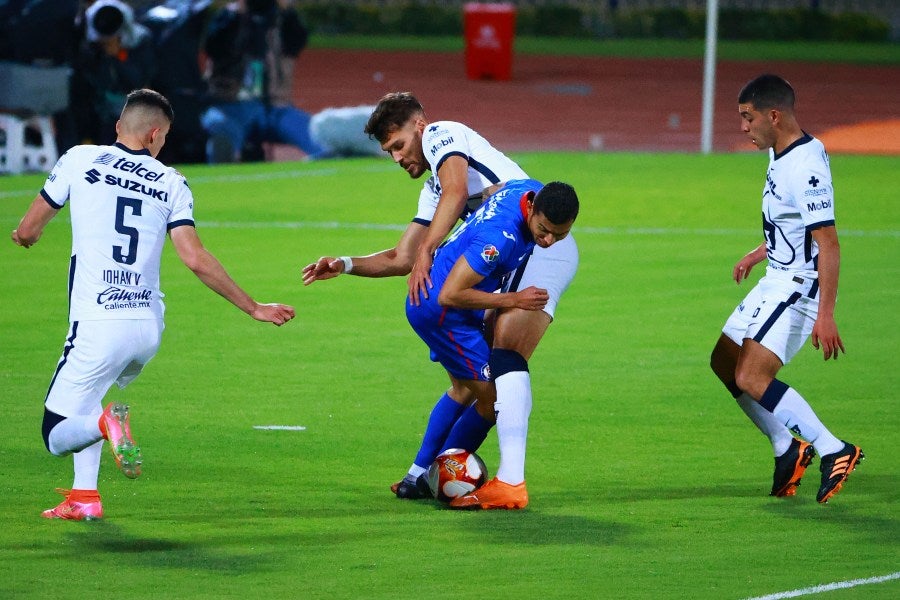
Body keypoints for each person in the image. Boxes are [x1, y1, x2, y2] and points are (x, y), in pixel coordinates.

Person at [11, 89, 296, 520]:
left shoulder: (80, 159)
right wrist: (253, 306)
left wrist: (24, 237)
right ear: (155, 135)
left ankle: (107, 425)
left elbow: (30, 228)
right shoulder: (171, 181)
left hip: (99, 322)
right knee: (91, 391)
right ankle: (84, 499)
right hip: (147, 326)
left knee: (55, 433)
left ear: (119, 128)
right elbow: (195, 258)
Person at [302, 92, 580, 509]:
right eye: (387, 152)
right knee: (473, 383)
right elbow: (403, 258)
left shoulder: (441, 134)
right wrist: (345, 264)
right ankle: (425, 475)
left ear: (418, 127)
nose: (396, 158)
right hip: (498, 255)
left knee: (500, 367)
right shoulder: (433, 188)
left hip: (536, 247)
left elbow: (453, 196)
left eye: (397, 145)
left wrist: (430, 250)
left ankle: (505, 481)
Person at [709, 74, 863, 504]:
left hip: (798, 287)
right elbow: (791, 221)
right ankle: (787, 447)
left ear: (773, 116)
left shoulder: (805, 167)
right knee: (724, 361)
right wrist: (759, 253)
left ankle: (835, 449)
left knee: (751, 375)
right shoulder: (783, 152)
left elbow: (827, 243)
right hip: (775, 275)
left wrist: (826, 314)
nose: (743, 127)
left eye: (747, 117)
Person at [201, 0, 327, 162]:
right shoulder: (228, 18)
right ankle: (225, 166)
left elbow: (298, 40)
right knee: (221, 130)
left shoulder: (282, 21)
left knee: (320, 136)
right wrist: (237, 16)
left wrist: (285, 9)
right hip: (230, 105)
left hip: (276, 107)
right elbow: (214, 46)